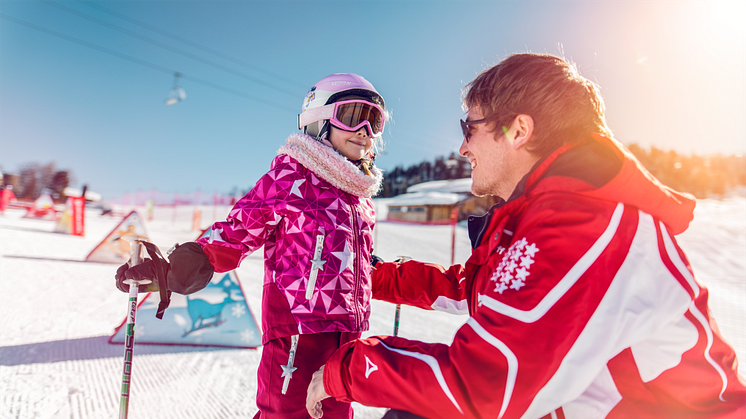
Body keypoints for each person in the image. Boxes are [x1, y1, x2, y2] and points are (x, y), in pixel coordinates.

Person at [306, 54, 746, 419]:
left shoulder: (585, 221)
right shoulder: (545, 214)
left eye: (470, 128)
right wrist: (371, 276)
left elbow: (485, 386)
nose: (463, 148)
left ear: (519, 130)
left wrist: (344, 369)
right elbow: (471, 289)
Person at [116, 73, 388, 418]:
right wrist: (181, 265)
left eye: (374, 120)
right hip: (297, 333)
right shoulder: (293, 176)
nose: (365, 129)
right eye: (352, 116)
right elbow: (240, 228)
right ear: (319, 120)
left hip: (348, 335)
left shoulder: (361, 198)